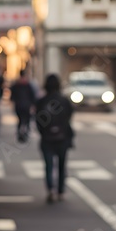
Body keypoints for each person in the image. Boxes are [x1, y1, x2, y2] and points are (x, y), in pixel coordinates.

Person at [35, 73, 74, 204]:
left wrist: (43, 131)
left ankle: (51, 189)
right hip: (62, 137)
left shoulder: (42, 101)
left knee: (49, 165)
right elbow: (69, 117)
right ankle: (61, 191)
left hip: (47, 138)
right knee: (62, 166)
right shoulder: (64, 101)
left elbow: (38, 120)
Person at [11, 68, 37, 142]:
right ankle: (25, 132)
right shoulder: (27, 84)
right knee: (27, 120)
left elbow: (12, 96)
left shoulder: (16, 84)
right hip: (26, 105)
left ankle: (20, 132)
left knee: (20, 120)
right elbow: (32, 96)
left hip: (18, 105)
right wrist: (33, 105)